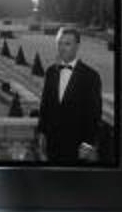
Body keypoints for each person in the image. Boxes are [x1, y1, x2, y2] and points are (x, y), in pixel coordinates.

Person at [35, 25, 104, 164]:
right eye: (59, 43)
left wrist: (88, 144)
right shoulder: (51, 72)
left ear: (77, 46)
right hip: (52, 145)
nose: (62, 48)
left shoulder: (91, 76)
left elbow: (94, 114)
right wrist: (42, 133)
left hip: (77, 148)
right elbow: (45, 106)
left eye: (67, 44)